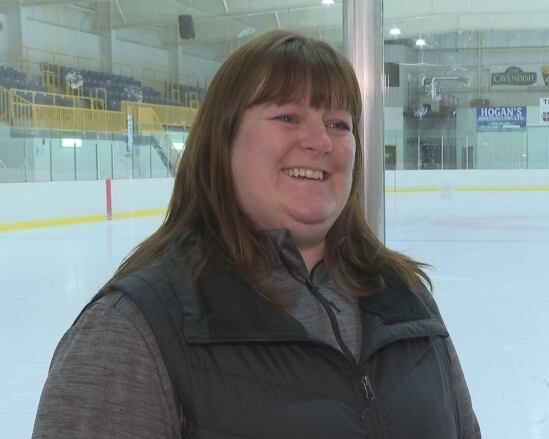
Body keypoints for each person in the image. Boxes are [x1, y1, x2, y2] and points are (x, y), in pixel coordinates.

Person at [33, 30, 480, 438]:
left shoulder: (406, 300)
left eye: (339, 124)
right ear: (221, 140)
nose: (321, 142)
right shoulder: (130, 333)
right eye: (288, 117)